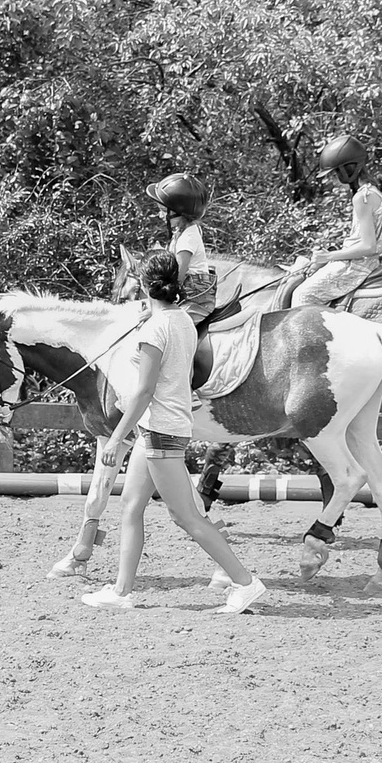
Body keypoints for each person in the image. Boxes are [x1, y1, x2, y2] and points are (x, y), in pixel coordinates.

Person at [82, 249, 266, 614]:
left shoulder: (154, 328)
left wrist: (117, 437)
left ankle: (245, 582)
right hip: (157, 428)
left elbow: (144, 390)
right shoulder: (182, 319)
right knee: (131, 507)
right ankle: (121, 591)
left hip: (160, 432)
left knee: (186, 516)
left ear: (145, 285)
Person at [292, 135, 382, 309]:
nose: (330, 181)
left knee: (302, 295)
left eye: (333, 174)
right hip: (364, 263)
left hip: (356, 266)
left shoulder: (362, 198)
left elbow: (369, 246)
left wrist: (328, 256)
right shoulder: (373, 193)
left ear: (347, 171)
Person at [144, 172, 219, 314]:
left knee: (171, 323)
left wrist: (156, 309)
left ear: (179, 212)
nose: (160, 216)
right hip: (187, 294)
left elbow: (177, 278)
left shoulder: (187, 239)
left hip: (194, 298)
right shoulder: (183, 232)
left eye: (162, 211)